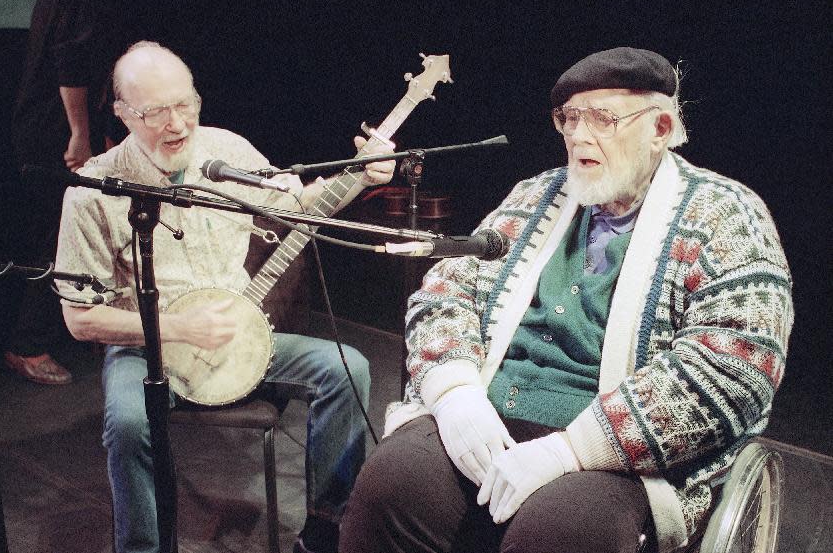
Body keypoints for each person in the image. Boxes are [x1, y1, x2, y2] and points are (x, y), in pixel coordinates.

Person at [339, 47, 793, 553]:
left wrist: (570, 449)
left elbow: (733, 367)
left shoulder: (727, 215)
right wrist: (455, 395)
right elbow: (448, 288)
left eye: (604, 118)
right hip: (489, 410)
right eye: (569, 118)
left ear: (660, 128)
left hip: (613, 455)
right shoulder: (536, 195)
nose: (579, 135)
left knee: (563, 534)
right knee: (392, 485)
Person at [53, 41, 395, 553]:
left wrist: (363, 175)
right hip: (147, 346)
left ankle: (326, 529)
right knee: (128, 421)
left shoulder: (227, 151)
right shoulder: (92, 191)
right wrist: (179, 329)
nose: (177, 124)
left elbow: (298, 202)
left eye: (185, 103)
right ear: (123, 114)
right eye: (156, 112)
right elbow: (79, 320)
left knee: (348, 368)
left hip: (238, 334)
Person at [6, 0, 122, 384]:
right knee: (58, 236)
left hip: (50, 125)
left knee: (92, 225)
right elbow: (70, 59)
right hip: (54, 130)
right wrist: (80, 135)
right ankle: (27, 346)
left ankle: (93, 323)